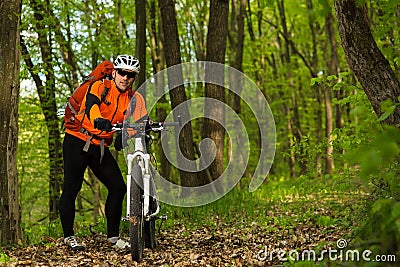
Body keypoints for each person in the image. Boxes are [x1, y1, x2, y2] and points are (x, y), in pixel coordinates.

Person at [59, 55, 147, 250]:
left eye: (130, 75)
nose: (125, 78)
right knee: (72, 187)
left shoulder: (134, 98)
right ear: (114, 72)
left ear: (134, 78)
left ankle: (113, 238)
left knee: (118, 187)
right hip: (77, 139)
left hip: (99, 146)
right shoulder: (100, 87)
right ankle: (68, 237)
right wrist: (98, 119)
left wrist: (127, 134)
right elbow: (91, 107)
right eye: (122, 72)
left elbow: (141, 121)